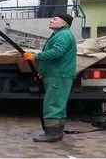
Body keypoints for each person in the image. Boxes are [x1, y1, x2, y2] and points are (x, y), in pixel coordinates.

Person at [22, 13, 78, 143]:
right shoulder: (60, 34)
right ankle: (56, 132)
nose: (51, 20)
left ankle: (52, 134)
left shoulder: (63, 35)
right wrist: (44, 71)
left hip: (58, 75)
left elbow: (57, 52)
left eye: (55, 19)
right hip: (57, 74)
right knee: (58, 104)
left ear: (64, 23)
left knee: (52, 104)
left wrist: (35, 56)